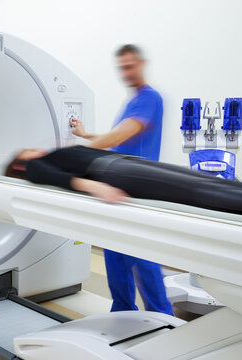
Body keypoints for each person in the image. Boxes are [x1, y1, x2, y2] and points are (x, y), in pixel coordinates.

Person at [67, 44, 173, 315]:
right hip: (116, 190)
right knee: (115, 258)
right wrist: (85, 134)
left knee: (142, 259)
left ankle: (163, 318)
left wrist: (72, 155)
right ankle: (122, 314)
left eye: (130, 66)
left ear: (141, 64)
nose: (126, 72)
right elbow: (116, 141)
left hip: (138, 190)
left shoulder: (150, 98)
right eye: (121, 68)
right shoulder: (133, 102)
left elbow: (120, 135)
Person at [4, 146, 242, 218]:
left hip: (123, 163)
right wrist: (95, 186)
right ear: (18, 164)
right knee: (197, 189)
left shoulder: (49, 157)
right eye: (26, 150)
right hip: (112, 172)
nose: (34, 149)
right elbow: (55, 177)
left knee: (205, 181)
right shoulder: (32, 167)